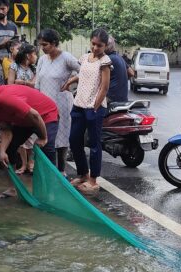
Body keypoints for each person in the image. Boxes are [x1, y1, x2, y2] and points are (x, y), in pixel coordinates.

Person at [0, 83, 58, 199]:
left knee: (47, 149)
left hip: (45, 114)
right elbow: (6, 129)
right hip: (24, 120)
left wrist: (43, 137)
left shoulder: (6, 98)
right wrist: (2, 151)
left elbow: (35, 115)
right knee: (9, 151)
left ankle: (52, 191)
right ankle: (12, 188)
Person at [61, 29, 111, 194]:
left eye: (100, 45)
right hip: (79, 105)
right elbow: (83, 75)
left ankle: (93, 179)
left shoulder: (105, 61)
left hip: (94, 108)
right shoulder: (85, 57)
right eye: (94, 44)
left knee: (95, 144)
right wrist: (71, 81)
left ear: (105, 46)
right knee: (74, 140)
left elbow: (104, 87)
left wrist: (95, 107)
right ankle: (83, 174)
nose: (96, 48)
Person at [35, 28, 80, 174]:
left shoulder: (66, 57)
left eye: (45, 45)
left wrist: (71, 81)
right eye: (41, 45)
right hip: (44, 105)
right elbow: (37, 84)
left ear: (54, 43)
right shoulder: (42, 59)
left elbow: (84, 70)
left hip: (62, 104)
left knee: (61, 138)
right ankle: (48, 171)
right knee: (46, 137)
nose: (42, 48)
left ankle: (61, 171)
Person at [7, 44, 38, 174]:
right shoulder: (14, 66)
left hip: (32, 103)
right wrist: (27, 84)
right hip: (18, 103)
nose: (36, 57)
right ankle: (24, 164)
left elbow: (35, 84)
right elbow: (10, 84)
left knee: (31, 135)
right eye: (34, 54)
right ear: (28, 55)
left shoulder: (35, 68)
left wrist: (23, 83)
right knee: (20, 135)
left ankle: (31, 162)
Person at [105, 36, 128, 104]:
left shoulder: (107, 59)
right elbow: (131, 73)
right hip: (123, 98)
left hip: (111, 98)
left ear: (105, 46)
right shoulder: (119, 57)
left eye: (99, 45)